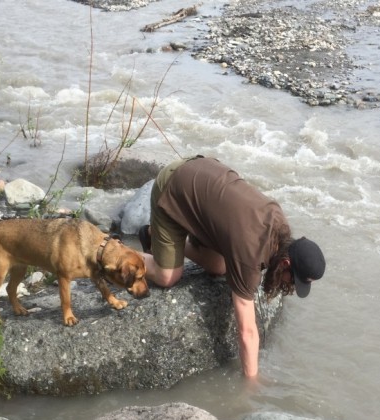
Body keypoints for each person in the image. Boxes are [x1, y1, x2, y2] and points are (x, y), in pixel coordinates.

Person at [139, 156, 326, 378]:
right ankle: (118, 251)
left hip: (203, 171)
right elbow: (247, 332)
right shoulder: (250, 255)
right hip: (172, 188)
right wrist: (252, 384)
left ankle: (162, 241)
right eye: (293, 280)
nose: (291, 287)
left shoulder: (280, 226)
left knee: (219, 267)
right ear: (285, 263)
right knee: (168, 276)